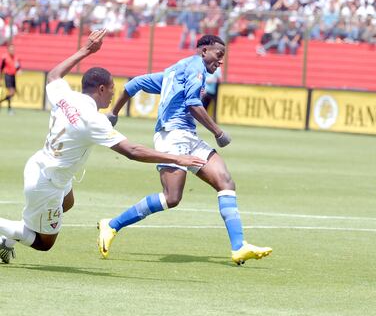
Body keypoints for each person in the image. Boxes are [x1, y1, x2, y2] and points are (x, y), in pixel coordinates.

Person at [0, 30, 205, 264]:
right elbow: (132, 151)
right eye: (111, 90)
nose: (112, 95)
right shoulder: (92, 119)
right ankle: (4, 239)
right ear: (100, 89)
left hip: (41, 166)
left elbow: (54, 75)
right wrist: (178, 159)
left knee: (67, 203)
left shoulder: (66, 96)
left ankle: (10, 236)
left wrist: (86, 50)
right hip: (48, 182)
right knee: (44, 243)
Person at [98, 35, 272, 265]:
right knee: (172, 197)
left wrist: (115, 112)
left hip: (187, 136)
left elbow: (135, 83)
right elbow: (192, 103)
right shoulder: (196, 69)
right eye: (218, 55)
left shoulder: (176, 70)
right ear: (204, 51)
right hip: (171, 135)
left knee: (225, 182)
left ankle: (239, 246)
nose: (220, 62)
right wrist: (218, 132)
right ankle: (111, 225)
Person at [0, 44, 21, 115]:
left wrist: (19, 70)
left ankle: (1, 102)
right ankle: (9, 109)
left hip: (13, 76)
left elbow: (18, 66)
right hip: (7, 76)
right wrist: (1, 77)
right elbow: (1, 68)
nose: (12, 50)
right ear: (8, 50)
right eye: (11, 49)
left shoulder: (16, 58)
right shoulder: (5, 57)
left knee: (12, 93)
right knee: (11, 92)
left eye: (13, 49)